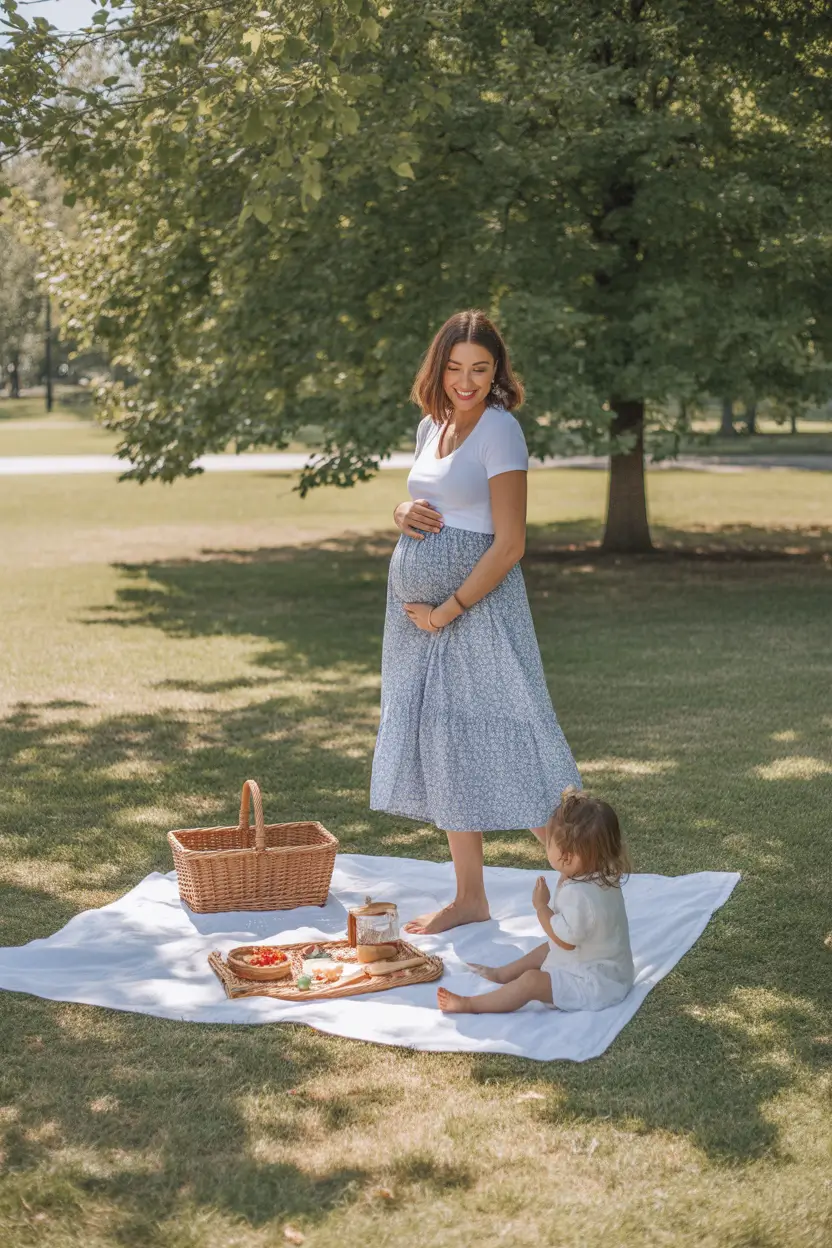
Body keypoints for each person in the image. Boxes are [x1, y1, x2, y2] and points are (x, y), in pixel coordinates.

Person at [369, 308, 582, 934]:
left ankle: (585, 885)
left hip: (475, 610)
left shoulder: (500, 431)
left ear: (497, 374)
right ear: (439, 368)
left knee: (516, 739)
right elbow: (428, 499)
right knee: (446, 738)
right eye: (456, 368)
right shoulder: (430, 426)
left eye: (480, 370)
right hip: (420, 624)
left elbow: (510, 543)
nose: (466, 381)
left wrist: (448, 610)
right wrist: (402, 508)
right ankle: (470, 898)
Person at [437, 791, 634, 1013]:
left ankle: (470, 1004)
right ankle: (502, 974)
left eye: (549, 842)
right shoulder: (603, 877)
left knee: (531, 981)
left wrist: (542, 908)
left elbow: (566, 942)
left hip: (592, 984)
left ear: (566, 856)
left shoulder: (579, 895)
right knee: (544, 949)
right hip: (613, 971)